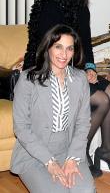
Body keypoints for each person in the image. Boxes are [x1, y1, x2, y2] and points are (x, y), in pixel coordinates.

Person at [22, 0, 110, 178]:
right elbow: (50, 50)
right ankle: (79, 153)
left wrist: (90, 68)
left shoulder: (81, 6)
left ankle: (106, 149)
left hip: (73, 68)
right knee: (101, 100)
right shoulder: (48, 5)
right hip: (47, 71)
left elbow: (85, 43)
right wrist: (77, 73)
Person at [11, 25, 95, 193]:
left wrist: (72, 158)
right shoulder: (28, 80)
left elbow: (83, 122)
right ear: (48, 47)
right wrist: (49, 161)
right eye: (58, 47)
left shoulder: (80, 79)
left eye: (69, 48)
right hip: (33, 153)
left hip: (68, 148)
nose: (64, 54)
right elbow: (21, 127)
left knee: (85, 190)